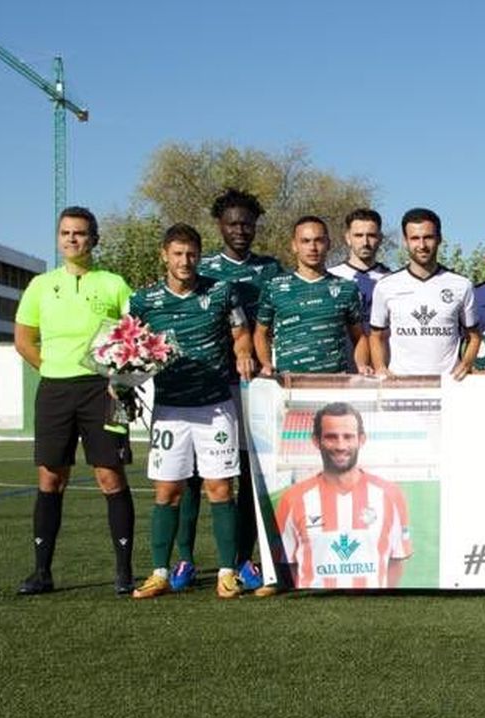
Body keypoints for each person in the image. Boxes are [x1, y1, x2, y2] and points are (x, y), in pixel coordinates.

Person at [12, 206, 136, 595]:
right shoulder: (40, 285)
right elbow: (24, 340)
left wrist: (120, 380)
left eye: (80, 233)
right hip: (55, 391)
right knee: (51, 477)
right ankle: (41, 572)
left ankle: (124, 572)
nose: (72, 239)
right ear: (58, 238)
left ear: (94, 239)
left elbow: (133, 337)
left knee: (109, 476)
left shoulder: (114, 284)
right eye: (65, 233)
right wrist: (52, 368)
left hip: (104, 390)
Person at [128, 224, 250, 599]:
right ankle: (160, 572)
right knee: (167, 491)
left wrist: (243, 351)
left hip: (214, 407)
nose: (185, 261)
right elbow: (128, 345)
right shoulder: (143, 301)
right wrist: (121, 379)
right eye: (177, 254)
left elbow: (240, 333)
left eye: (191, 254)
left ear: (199, 255)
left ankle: (227, 572)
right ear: (164, 255)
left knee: (219, 488)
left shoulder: (220, 292)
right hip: (170, 409)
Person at [191, 188, 284, 593]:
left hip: (254, 386)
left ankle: (245, 558)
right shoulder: (204, 267)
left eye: (248, 223)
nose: (241, 230)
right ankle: (183, 560)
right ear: (220, 226)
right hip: (208, 383)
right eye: (233, 223)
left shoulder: (270, 269)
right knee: (198, 476)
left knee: (249, 474)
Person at [273, 403, 412, 590]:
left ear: (361, 440)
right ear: (316, 441)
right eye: (331, 437)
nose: (340, 446)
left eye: (348, 437)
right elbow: (287, 563)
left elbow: (396, 561)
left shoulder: (391, 495)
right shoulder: (292, 499)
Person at [368, 207, 478, 378]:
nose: (422, 245)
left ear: (439, 239)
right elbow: (376, 336)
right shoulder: (386, 286)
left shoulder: (462, 285)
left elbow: (474, 337)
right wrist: (380, 368)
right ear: (405, 241)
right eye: (415, 238)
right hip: (401, 386)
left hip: (448, 386)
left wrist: (466, 363)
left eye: (428, 237)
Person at [254, 216, 369, 376]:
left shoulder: (346, 288)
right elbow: (261, 333)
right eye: (305, 241)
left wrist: (362, 365)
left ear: (328, 243)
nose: (313, 247)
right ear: (294, 245)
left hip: (334, 384)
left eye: (319, 241)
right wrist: (266, 364)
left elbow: (360, 337)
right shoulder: (274, 287)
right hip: (288, 384)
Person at [326, 207, 390, 324]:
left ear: (380, 238)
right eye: (358, 235)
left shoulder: (392, 280)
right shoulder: (330, 277)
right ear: (348, 238)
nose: (365, 242)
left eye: (371, 235)